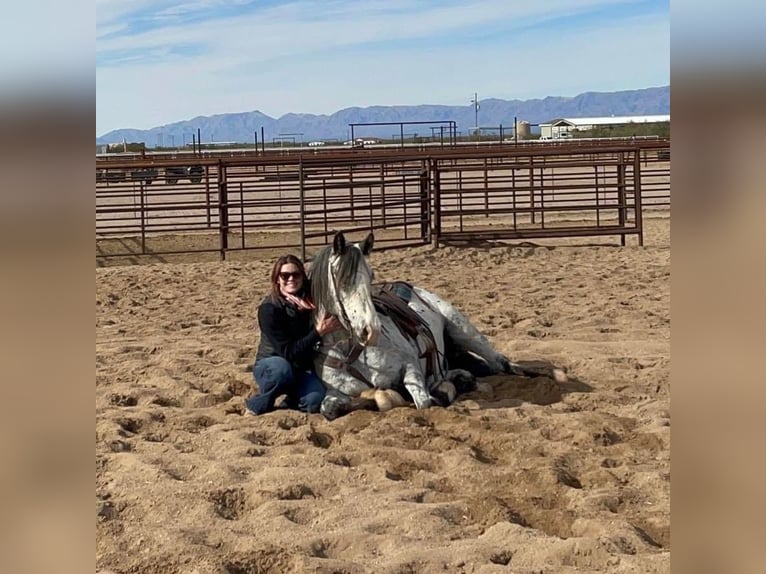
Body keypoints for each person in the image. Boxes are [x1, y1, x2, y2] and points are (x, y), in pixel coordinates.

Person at [245, 255, 342, 415]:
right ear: (277, 279)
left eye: (296, 274)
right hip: (273, 363)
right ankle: (257, 405)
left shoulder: (308, 300)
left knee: (314, 401)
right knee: (282, 371)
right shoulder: (269, 309)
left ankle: (290, 401)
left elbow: (330, 282)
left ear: (303, 277)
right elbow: (288, 352)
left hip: (300, 366)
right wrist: (319, 332)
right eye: (284, 275)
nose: (291, 279)